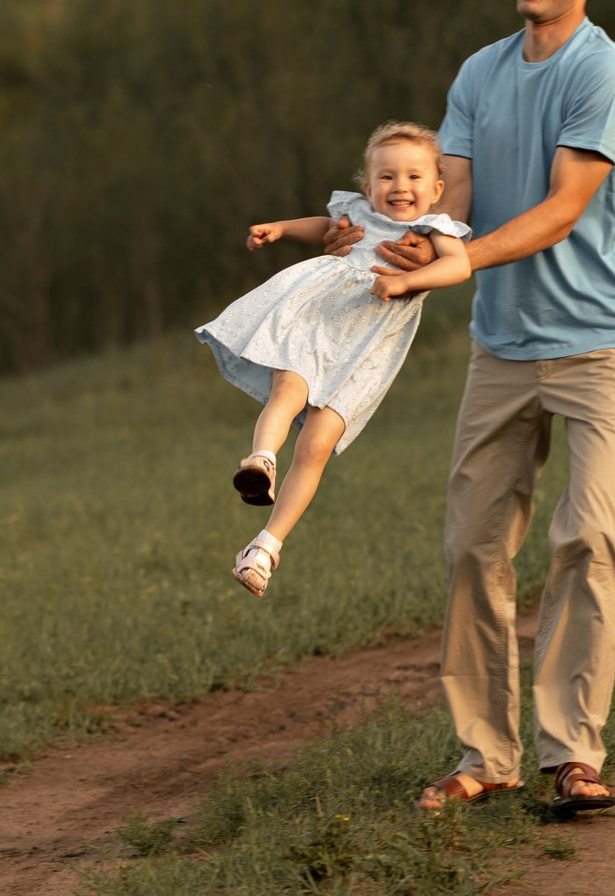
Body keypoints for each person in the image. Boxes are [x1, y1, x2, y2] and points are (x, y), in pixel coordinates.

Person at [371, 0, 615, 819]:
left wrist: (460, 259)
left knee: (592, 538)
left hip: (605, 346)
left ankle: (572, 753)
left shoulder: (602, 76)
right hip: (502, 348)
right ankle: (485, 755)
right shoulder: (479, 74)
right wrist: (406, 242)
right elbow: (452, 196)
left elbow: (563, 208)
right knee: (471, 552)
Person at [195, 122, 467, 599]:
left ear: (437, 188)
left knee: (317, 445)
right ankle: (260, 460)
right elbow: (324, 228)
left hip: (369, 346)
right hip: (320, 318)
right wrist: (280, 228)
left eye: (413, 177)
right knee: (288, 389)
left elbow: (459, 265)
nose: (399, 187)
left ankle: (264, 548)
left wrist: (406, 281)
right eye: (386, 177)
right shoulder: (357, 210)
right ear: (367, 185)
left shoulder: (436, 229)